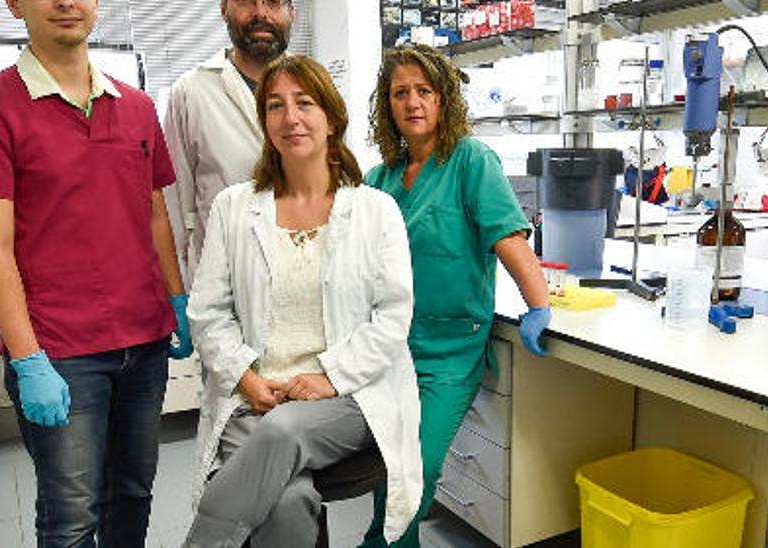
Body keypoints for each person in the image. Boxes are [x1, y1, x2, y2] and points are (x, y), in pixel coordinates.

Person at [0, 0, 192, 545]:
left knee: (133, 494)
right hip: (61, 353)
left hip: (144, 344)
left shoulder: (136, 106)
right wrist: (28, 358)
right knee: (72, 516)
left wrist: (176, 299)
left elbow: (153, 214)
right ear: (13, 4)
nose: (65, 2)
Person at [183, 55, 423, 548]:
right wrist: (245, 376)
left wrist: (329, 377)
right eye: (275, 105)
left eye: (305, 103)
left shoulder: (376, 210)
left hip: (348, 394)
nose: (290, 117)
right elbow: (208, 312)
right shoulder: (234, 207)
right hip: (252, 392)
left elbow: (392, 318)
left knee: (283, 431)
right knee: (288, 501)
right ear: (264, 120)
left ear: (331, 117)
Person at [360, 43, 551, 547]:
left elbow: (507, 236)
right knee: (388, 466)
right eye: (400, 93)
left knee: (416, 469)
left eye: (424, 90)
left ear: (444, 99)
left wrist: (539, 304)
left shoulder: (470, 160)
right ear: (388, 105)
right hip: (389, 350)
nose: (412, 102)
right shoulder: (380, 179)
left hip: (450, 353)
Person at [164, 0, 296, 283]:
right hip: (222, 288)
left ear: (292, 10)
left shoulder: (317, 89)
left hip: (304, 279)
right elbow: (175, 208)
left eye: (274, 2)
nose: (261, 13)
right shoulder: (191, 92)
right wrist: (180, 292)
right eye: (247, 1)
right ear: (224, 7)